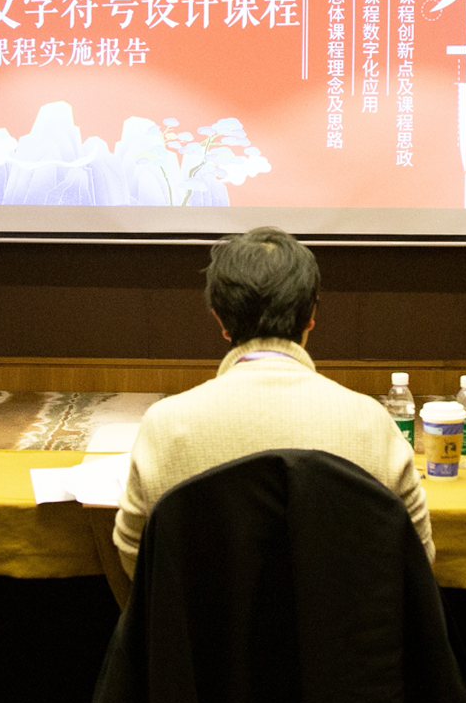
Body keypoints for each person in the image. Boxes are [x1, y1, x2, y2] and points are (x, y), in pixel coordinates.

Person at [113, 226, 433, 577]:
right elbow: (418, 560)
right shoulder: (372, 423)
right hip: (346, 615)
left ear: (220, 319)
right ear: (310, 316)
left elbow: (136, 562)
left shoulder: (164, 425)